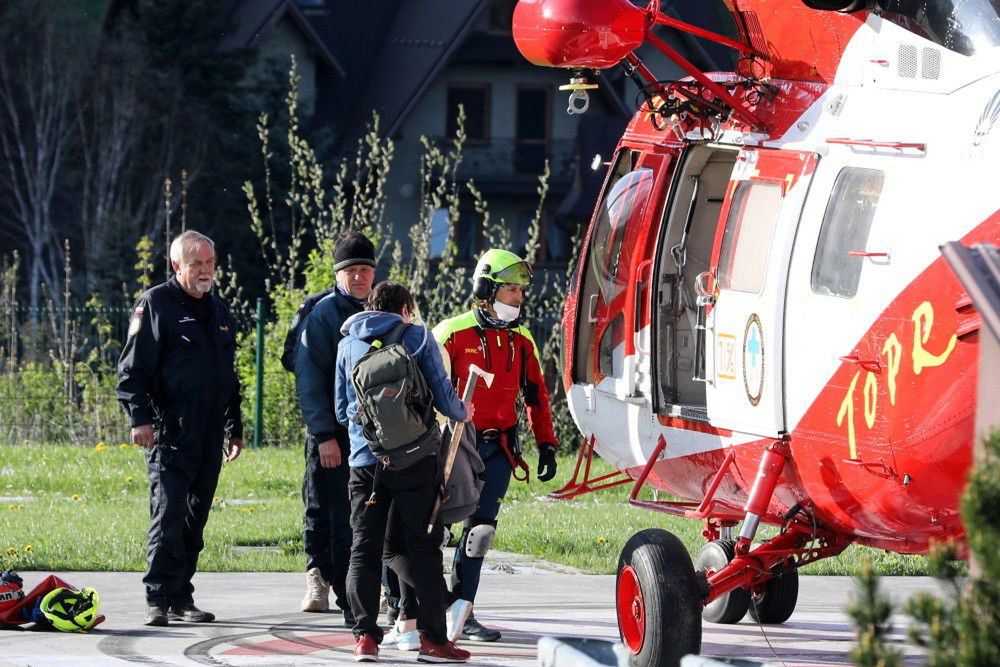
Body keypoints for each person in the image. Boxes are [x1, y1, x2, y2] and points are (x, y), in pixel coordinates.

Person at [336, 282, 474, 663]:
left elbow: (340, 407)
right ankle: (433, 640)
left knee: (364, 547)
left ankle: (365, 637)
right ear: (406, 307)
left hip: (366, 463)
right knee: (424, 548)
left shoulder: (347, 344)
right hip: (416, 459)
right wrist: (463, 412)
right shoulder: (416, 336)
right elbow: (444, 394)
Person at [116, 230, 243, 627]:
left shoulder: (218, 310)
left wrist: (233, 428)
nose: (205, 271)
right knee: (168, 513)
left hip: (208, 434)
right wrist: (140, 419)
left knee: (195, 516)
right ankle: (158, 596)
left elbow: (228, 376)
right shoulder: (156, 304)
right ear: (177, 266)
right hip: (171, 429)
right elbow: (131, 370)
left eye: (210, 263)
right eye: (196, 264)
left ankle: (181, 594)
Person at [433, 249, 559, 642]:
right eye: (510, 291)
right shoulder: (450, 333)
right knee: (432, 529)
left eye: (521, 292)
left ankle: (462, 611)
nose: (518, 299)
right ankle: (406, 602)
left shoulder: (521, 341)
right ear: (486, 290)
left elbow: (537, 395)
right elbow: (426, 392)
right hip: (454, 444)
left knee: (480, 532)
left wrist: (548, 445)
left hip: (500, 449)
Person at [294, 231, 377, 620]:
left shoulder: (384, 309)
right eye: (352, 271)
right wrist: (325, 435)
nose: (359, 277)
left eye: (365, 269)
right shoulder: (322, 314)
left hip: (373, 436)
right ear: (338, 273)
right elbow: (308, 379)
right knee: (323, 507)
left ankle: (355, 589)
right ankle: (320, 578)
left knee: (361, 512)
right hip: (331, 433)